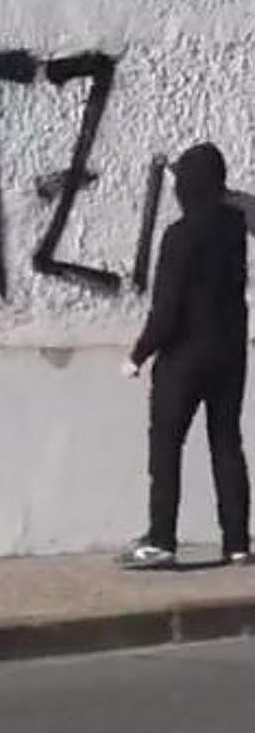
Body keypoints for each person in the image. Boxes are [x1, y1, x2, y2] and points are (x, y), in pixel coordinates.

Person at [118, 143, 252, 570]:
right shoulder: (235, 228)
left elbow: (167, 308)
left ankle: (161, 539)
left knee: (166, 446)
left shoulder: (180, 235)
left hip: (184, 358)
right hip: (230, 355)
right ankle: (237, 542)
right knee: (226, 443)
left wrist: (138, 354)